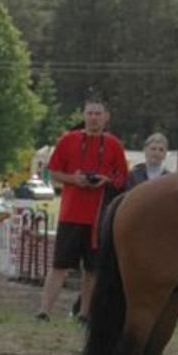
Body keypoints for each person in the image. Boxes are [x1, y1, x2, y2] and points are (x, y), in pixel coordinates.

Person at [36, 96, 128, 322]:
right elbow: (54, 172)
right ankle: (44, 311)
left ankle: (85, 314)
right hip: (71, 214)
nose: (94, 118)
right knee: (59, 265)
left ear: (106, 117)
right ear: (84, 115)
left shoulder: (115, 145)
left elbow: (122, 177)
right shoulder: (68, 140)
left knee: (93, 269)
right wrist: (74, 179)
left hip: (98, 217)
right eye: (90, 113)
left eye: (98, 114)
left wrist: (105, 180)